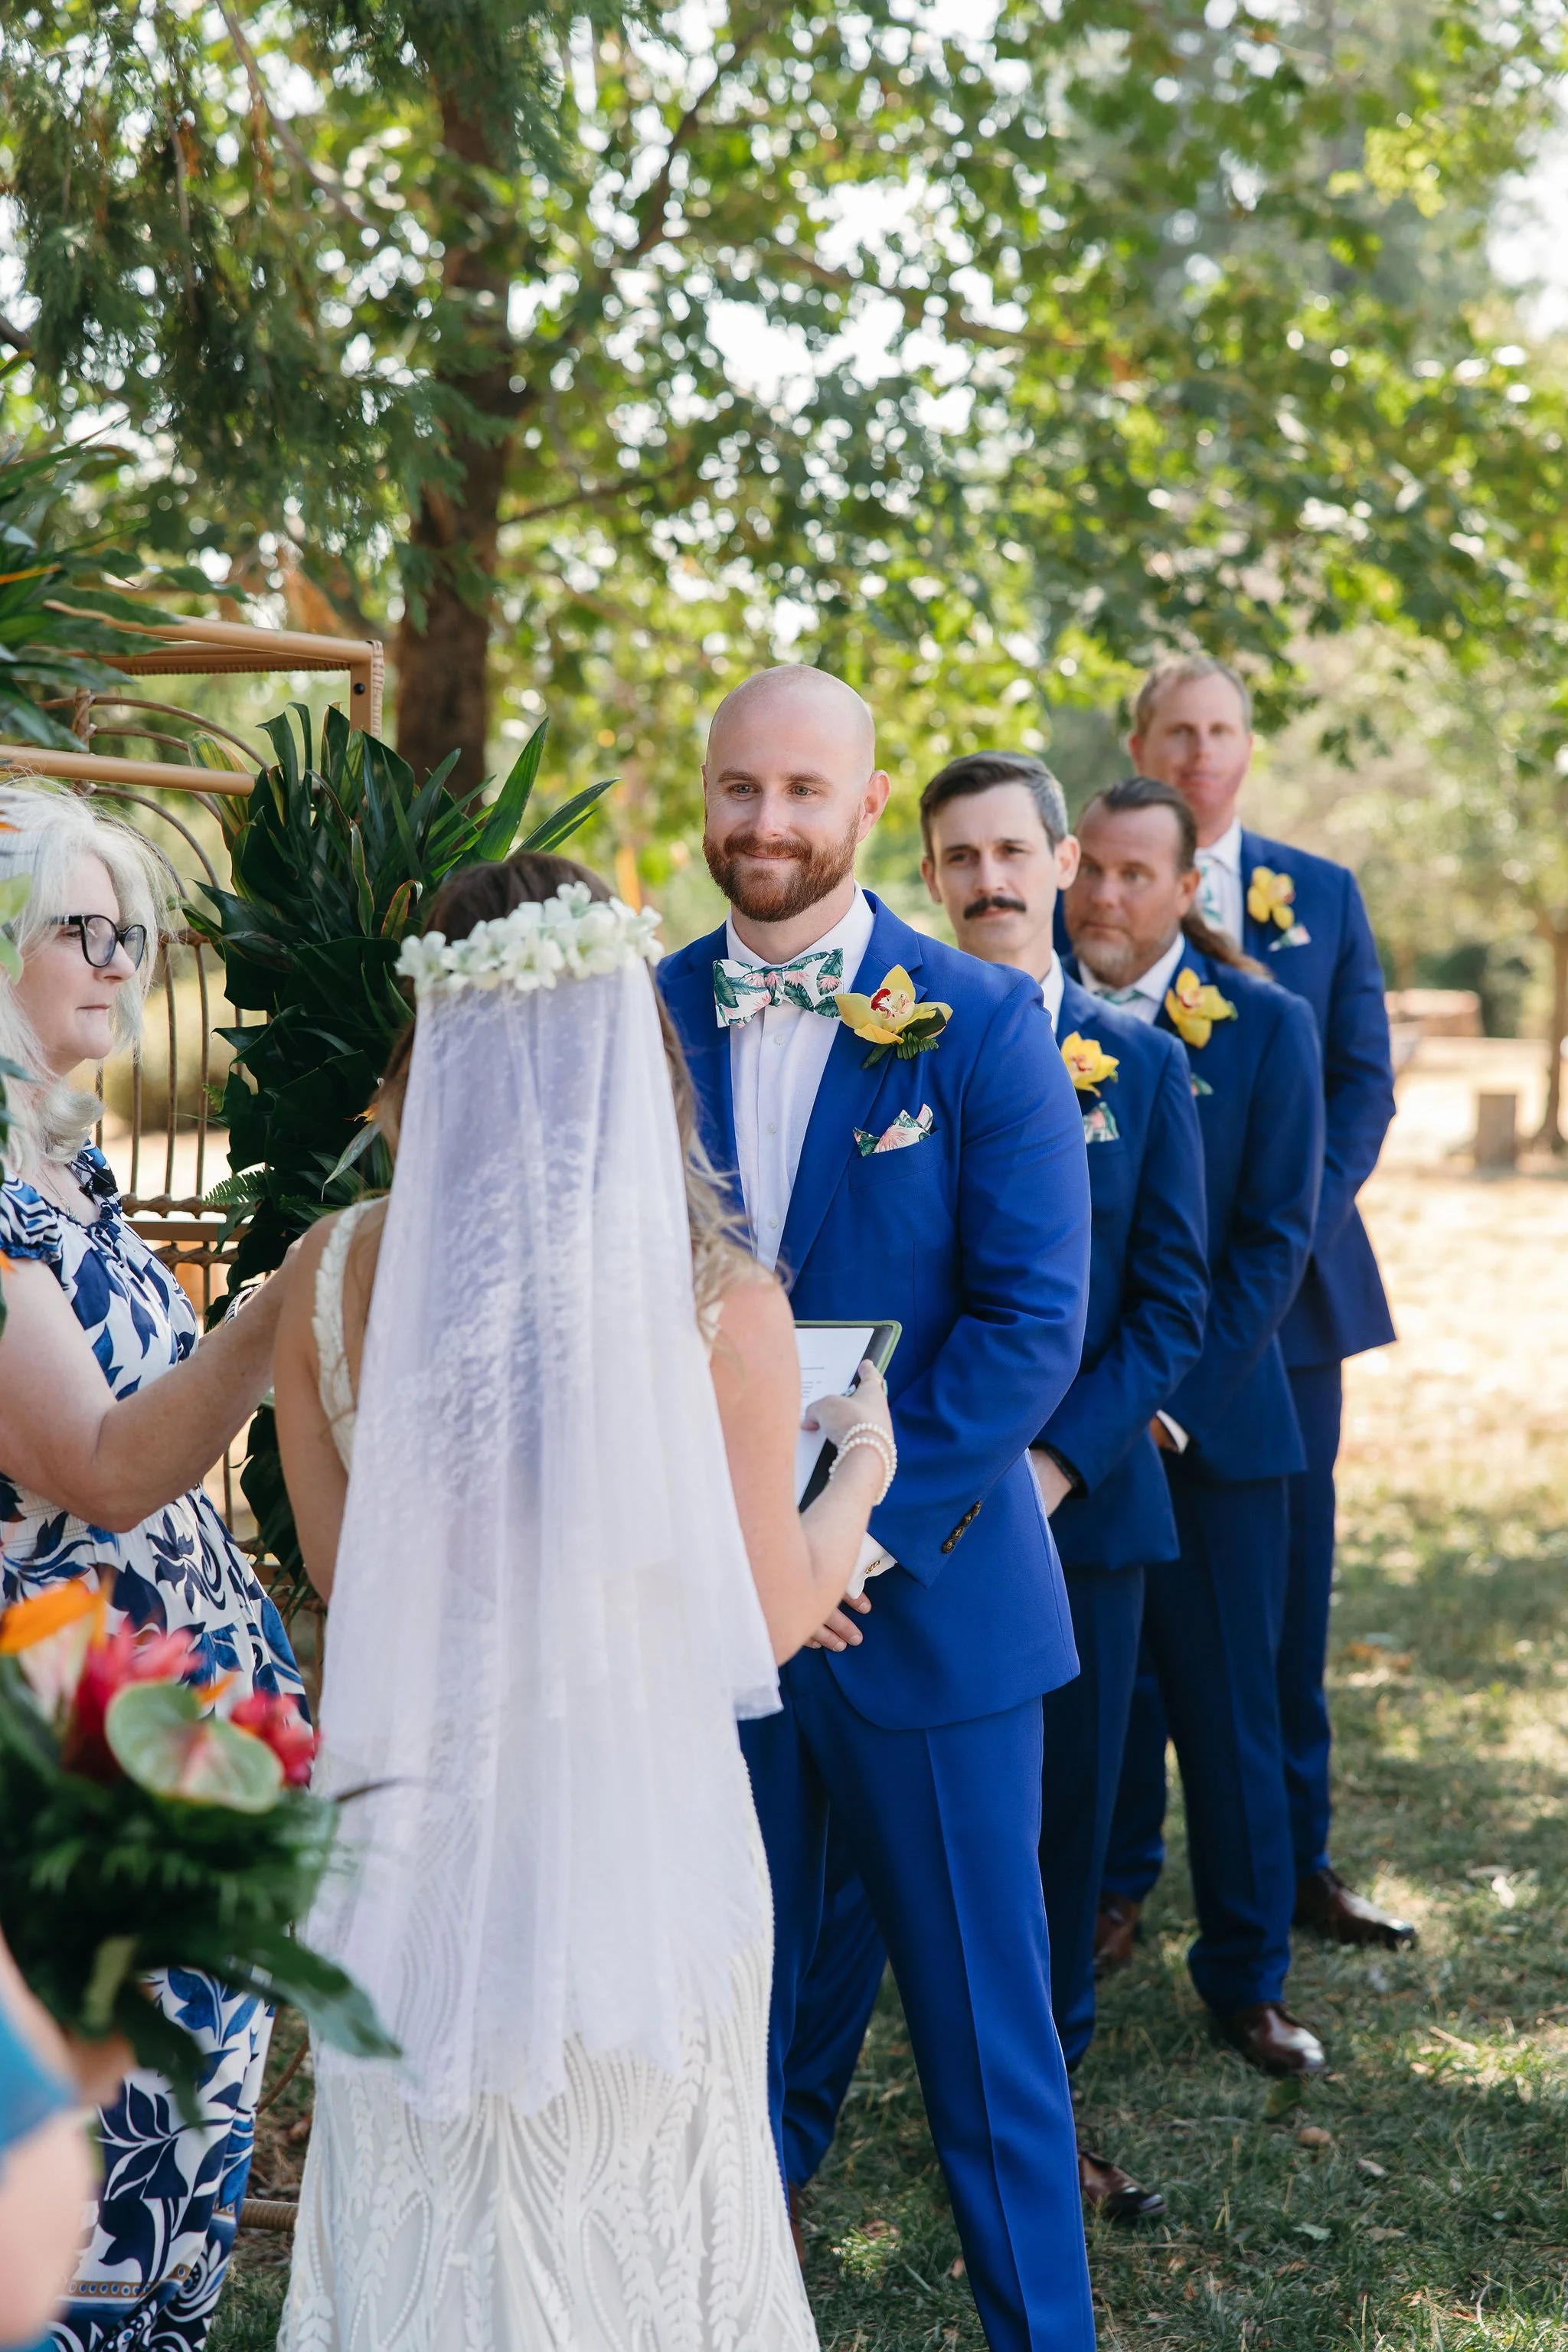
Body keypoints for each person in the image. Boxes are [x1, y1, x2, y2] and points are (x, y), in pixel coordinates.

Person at [270, 851, 895, 2350]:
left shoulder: (330, 1274)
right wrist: (859, 1480)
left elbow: (359, 1585)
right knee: (637, 2226)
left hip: (410, 1842)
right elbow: (759, 1617)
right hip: (636, 1847)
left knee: (433, 2205)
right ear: (635, 1048)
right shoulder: (716, 1302)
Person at [659, 670, 1096, 2352]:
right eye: (737, 789)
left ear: (865, 800)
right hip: (707, 1622)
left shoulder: (977, 1021)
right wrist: (732, 1549)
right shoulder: (640, 1014)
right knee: (724, 2044)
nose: (764, 823)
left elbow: (1027, 1324)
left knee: (988, 2050)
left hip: (930, 1608)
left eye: (799, 791)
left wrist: (858, 1536)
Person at [773, 751, 1209, 2234]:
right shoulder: (864, 1032)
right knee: (822, 1895)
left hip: (1063, 1510)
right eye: (957, 857)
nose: (988, 881)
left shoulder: (1130, 1058)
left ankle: (1048, 2129)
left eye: (1012, 850)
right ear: (930, 865)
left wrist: (1046, 1458)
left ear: (1064, 859)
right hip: (849, 1527)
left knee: (1047, 1860)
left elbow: (1160, 1304)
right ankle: (788, 2137)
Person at [0, 784, 308, 2350]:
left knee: (191, 2145)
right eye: (81, 928)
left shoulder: (73, 1175)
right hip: (62, 1741)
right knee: (91, 2161)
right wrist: (281, 1302)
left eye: (134, 934)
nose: (119, 961)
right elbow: (105, 1466)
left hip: (173, 1734)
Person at [1099, 657, 1409, 1957]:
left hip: (1291, 1315)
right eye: (1178, 731)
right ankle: (1118, 1873)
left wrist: (1275, 1219)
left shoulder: (1320, 897)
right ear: (1141, 744)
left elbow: (1362, 1087)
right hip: (1134, 1317)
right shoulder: (1096, 894)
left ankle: (1296, 1863)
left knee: (1278, 1610)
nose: (1201, 752)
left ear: (1249, 745)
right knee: (1126, 1615)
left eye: (1223, 730)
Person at [1064, 776, 1328, 2076]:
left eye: (1134, 876)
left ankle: (1247, 1973)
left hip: (1213, 1437)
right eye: (1090, 872)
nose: (1105, 898)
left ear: (1184, 890)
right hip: (1065, 1442)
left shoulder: (1266, 1029)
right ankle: (1083, 1925)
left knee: (1231, 1716)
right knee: (1087, 1715)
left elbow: (1275, 1240)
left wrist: (1165, 1410)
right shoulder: (1010, 1010)